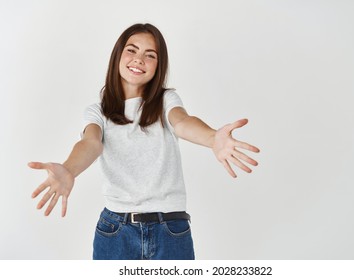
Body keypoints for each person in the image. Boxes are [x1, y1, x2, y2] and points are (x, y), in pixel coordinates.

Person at [28, 23, 260, 260]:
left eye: (150, 55)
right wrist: (69, 169)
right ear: (118, 55)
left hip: (171, 230)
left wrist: (212, 138)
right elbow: (91, 143)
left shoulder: (165, 100)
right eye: (132, 50)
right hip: (116, 231)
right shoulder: (98, 112)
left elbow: (182, 122)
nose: (139, 59)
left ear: (159, 66)